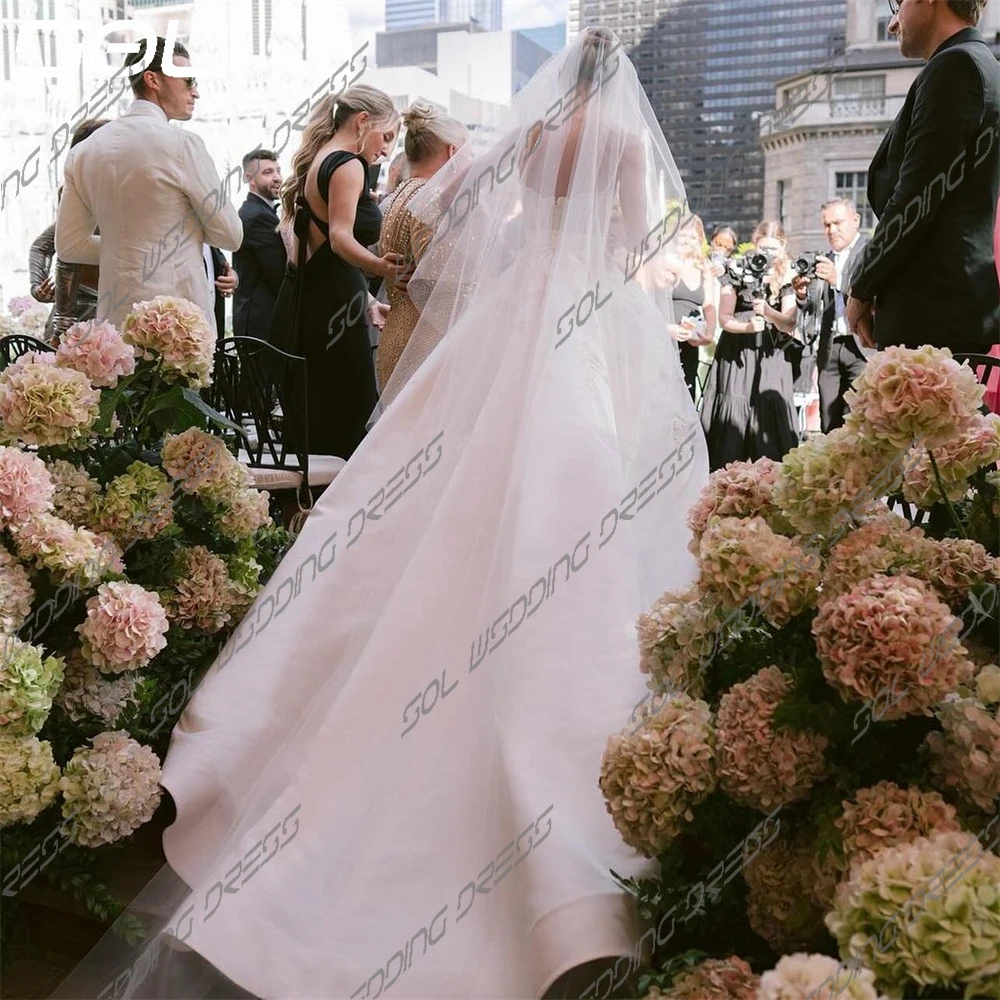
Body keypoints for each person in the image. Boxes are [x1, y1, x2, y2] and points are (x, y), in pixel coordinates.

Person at [59, 27, 709, 1000]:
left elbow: (454, 223)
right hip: (587, 325)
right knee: (579, 506)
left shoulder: (526, 144)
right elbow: (627, 242)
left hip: (515, 329)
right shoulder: (617, 148)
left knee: (451, 496)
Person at [56, 38, 242, 335]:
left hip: (114, 328)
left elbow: (70, 246)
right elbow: (231, 235)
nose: (195, 91)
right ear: (152, 79)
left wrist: (127, 246)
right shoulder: (184, 145)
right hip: (179, 327)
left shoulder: (83, 152)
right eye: (188, 80)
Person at [846, 0, 1000, 353]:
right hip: (947, 313)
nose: (892, 24)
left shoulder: (957, 66)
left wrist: (862, 286)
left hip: (933, 317)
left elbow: (916, 196)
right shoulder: (976, 64)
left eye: (897, 6)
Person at [269, 84, 404, 459]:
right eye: (386, 136)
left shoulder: (321, 159)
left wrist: (363, 298)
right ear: (363, 121)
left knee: (324, 420)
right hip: (332, 313)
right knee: (350, 418)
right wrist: (381, 267)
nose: (387, 149)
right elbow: (340, 237)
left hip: (314, 303)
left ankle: (311, 510)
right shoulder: (347, 164)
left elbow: (313, 248)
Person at [375, 101, 468, 389]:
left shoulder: (398, 196)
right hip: (424, 344)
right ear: (453, 152)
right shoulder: (431, 198)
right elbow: (442, 282)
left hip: (396, 335)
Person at [700, 221, 801, 470]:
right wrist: (746, 327)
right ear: (755, 245)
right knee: (733, 413)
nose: (767, 254)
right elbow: (724, 317)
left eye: (773, 249)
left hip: (772, 356)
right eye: (763, 248)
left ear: (783, 247)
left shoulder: (786, 274)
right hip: (737, 354)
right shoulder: (738, 269)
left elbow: (789, 322)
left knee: (769, 414)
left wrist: (768, 312)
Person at [793, 198, 872, 433]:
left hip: (862, 346)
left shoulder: (870, 250)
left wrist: (838, 279)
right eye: (827, 225)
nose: (832, 230)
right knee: (829, 421)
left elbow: (873, 295)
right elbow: (812, 310)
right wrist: (801, 295)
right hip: (829, 348)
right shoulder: (823, 259)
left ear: (855, 220)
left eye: (838, 223)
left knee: (859, 420)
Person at [29, 119, 110, 342]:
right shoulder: (78, 190)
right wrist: (38, 286)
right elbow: (43, 246)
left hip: (107, 310)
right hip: (75, 315)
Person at [651, 215, 718, 401]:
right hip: (660, 338)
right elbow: (646, 301)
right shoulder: (661, 262)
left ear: (700, 240)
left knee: (685, 395)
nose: (688, 241)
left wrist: (708, 334)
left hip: (689, 343)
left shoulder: (704, 267)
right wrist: (666, 330)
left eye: (693, 237)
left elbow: (709, 307)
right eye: (684, 235)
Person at [233, 149, 285, 340]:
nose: (278, 177)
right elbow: (279, 273)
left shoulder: (261, 212)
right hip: (261, 324)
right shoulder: (258, 217)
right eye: (268, 172)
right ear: (250, 179)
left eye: (278, 170)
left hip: (259, 320)